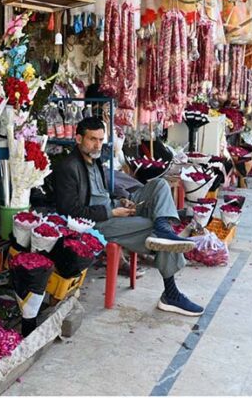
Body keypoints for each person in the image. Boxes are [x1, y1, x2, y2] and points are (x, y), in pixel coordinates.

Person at [54, 117, 204, 316]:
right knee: (154, 229)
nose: (97, 144)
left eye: (100, 140)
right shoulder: (68, 167)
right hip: (96, 224)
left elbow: (104, 191)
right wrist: (111, 212)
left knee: (159, 186)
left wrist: (123, 199)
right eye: (92, 139)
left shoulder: (94, 159)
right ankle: (171, 293)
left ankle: (164, 228)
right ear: (78, 138)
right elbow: (69, 210)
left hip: (114, 209)